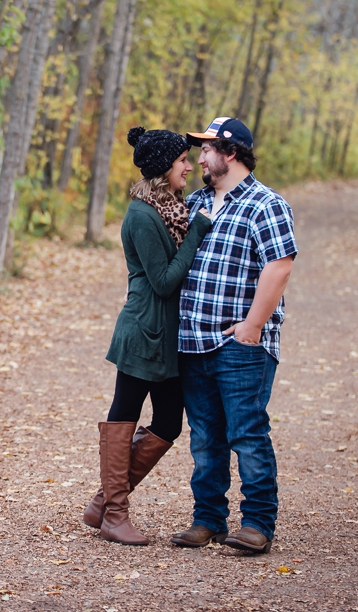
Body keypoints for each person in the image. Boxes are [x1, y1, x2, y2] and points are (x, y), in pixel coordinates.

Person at [170, 117, 297, 555]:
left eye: (207, 149)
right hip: (193, 340)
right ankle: (208, 519)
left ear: (231, 152)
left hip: (239, 344)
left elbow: (279, 265)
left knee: (247, 433)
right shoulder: (196, 202)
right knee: (205, 437)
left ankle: (258, 523)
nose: (199, 157)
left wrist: (253, 326)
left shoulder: (266, 204)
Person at [84, 127, 212, 546]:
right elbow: (162, 281)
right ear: (163, 168)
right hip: (144, 330)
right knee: (124, 413)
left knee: (169, 422)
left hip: (167, 336)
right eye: (182, 162)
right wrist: (197, 234)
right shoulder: (142, 215)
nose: (189, 167)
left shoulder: (170, 207)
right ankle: (115, 514)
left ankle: (104, 500)